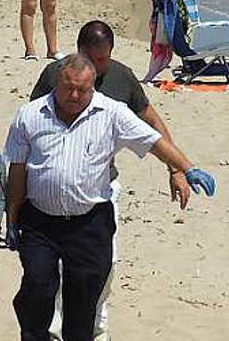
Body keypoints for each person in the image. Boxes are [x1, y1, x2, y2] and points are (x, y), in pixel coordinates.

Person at [4, 53, 217, 341]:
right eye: (69, 88)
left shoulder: (112, 113)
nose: (75, 95)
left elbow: (153, 140)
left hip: (89, 224)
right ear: (57, 83)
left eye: (83, 89)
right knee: (37, 289)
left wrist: (185, 168)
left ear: (93, 86)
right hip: (40, 221)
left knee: (83, 300)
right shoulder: (29, 115)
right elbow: (17, 172)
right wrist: (12, 218)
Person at [30, 21, 183, 341]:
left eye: (104, 59)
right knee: (57, 271)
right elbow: (31, 126)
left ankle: (98, 331)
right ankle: (57, 331)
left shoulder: (121, 77)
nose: (99, 67)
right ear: (79, 51)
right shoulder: (56, 76)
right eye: (93, 59)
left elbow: (151, 124)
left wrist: (177, 168)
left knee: (104, 266)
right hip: (55, 193)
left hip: (102, 191)